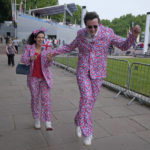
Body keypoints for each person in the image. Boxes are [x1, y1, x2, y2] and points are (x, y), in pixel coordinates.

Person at [48, 12, 141, 145]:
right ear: (85, 25)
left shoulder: (108, 33)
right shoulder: (80, 34)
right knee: (86, 98)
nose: (92, 30)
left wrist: (134, 36)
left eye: (95, 27)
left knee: (89, 103)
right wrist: (54, 52)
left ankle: (78, 121)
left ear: (99, 24)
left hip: (98, 73)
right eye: (89, 27)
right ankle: (88, 132)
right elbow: (69, 47)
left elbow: (123, 46)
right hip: (83, 72)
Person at [21, 28, 53, 130]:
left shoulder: (47, 48)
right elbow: (23, 59)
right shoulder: (29, 48)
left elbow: (50, 64)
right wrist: (30, 58)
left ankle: (48, 121)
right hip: (33, 78)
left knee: (46, 99)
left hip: (44, 78)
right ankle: (36, 119)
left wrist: (50, 59)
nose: (41, 39)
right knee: (35, 99)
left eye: (42, 37)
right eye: (39, 37)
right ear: (35, 38)